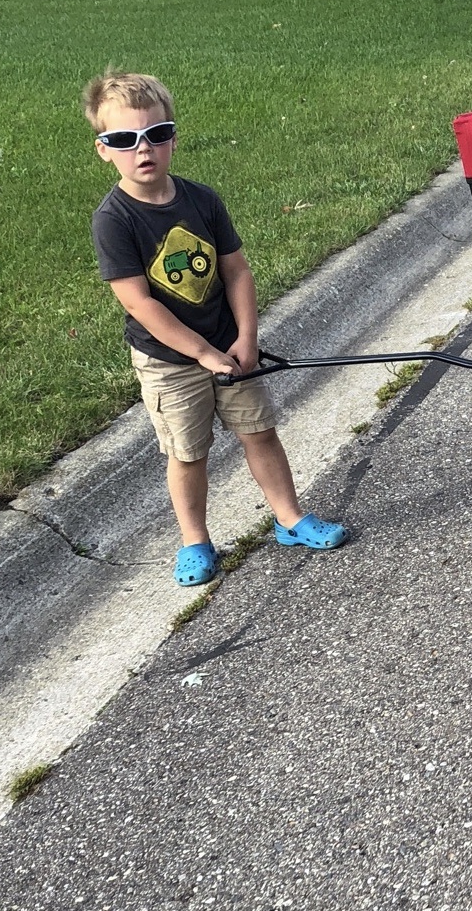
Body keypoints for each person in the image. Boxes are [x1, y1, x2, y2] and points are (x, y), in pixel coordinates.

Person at [84, 71, 347, 586]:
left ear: (173, 139)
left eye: (157, 135)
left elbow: (236, 270)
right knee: (188, 453)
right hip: (169, 360)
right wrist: (201, 352)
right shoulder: (113, 219)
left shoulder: (201, 199)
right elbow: (139, 303)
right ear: (103, 149)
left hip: (229, 344)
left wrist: (246, 337)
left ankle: (290, 519)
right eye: (124, 140)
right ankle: (194, 541)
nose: (144, 150)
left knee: (259, 432)